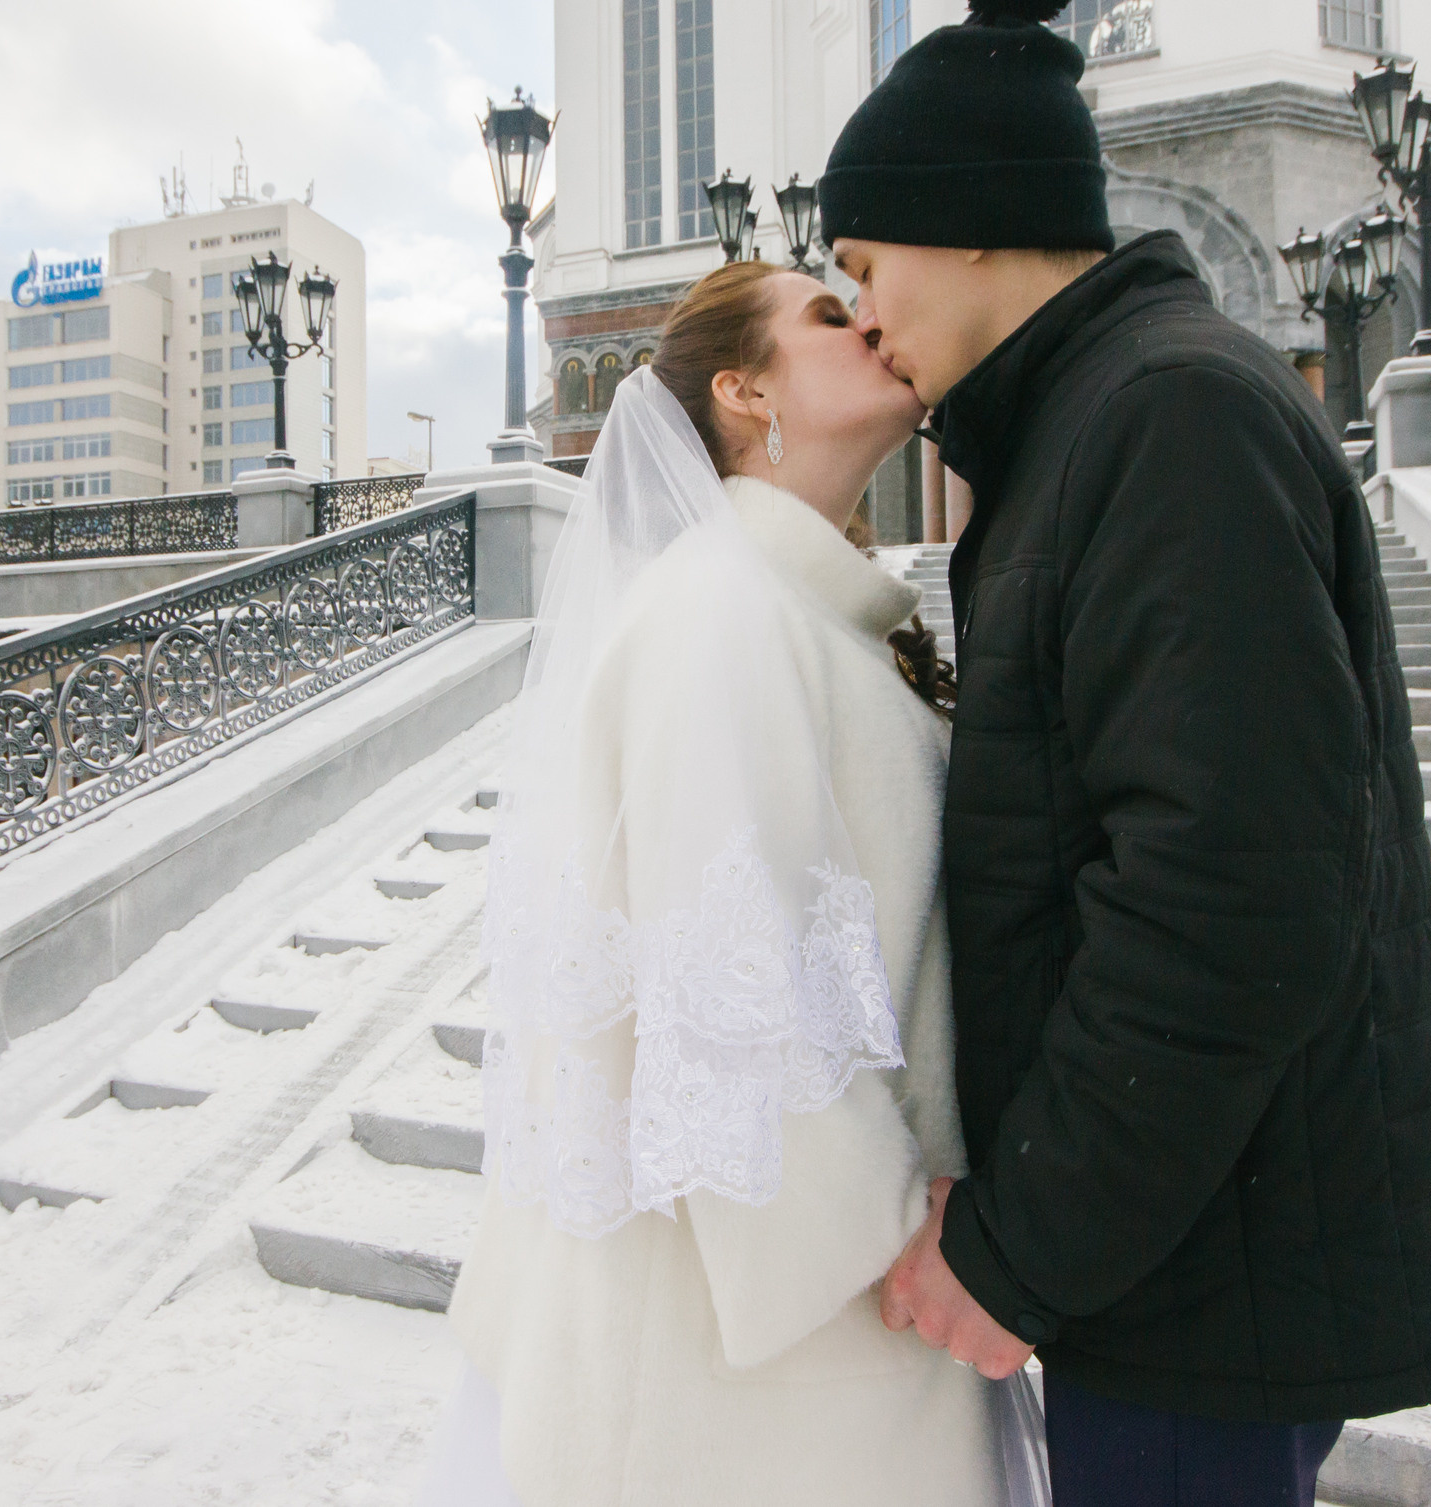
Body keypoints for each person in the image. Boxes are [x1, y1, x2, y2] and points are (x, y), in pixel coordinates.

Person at [828, 0, 1431, 1505]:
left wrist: (1018, 1246)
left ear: (971, 224)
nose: (858, 314)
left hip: (1211, 1279)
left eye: (864, 263)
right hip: (1189, 1263)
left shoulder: (1167, 417)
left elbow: (1230, 890)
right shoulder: (1096, 421)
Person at [425, 259, 1047, 1507]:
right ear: (743, 391)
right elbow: (725, 996)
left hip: (854, 1322)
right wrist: (915, 1247)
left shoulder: (818, 621)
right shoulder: (714, 613)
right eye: (827, 314)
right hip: (760, 1364)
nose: (868, 320)